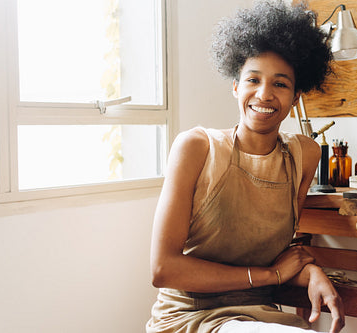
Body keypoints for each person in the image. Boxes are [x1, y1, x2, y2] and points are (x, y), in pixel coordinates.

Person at [146, 1, 344, 332]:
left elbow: (279, 252)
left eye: (280, 84)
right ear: (236, 86)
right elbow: (163, 269)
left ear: (295, 97)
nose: (264, 94)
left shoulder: (305, 154)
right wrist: (270, 276)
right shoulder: (196, 147)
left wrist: (311, 272)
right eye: (253, 80)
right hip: (189, 316)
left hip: (260, 311)